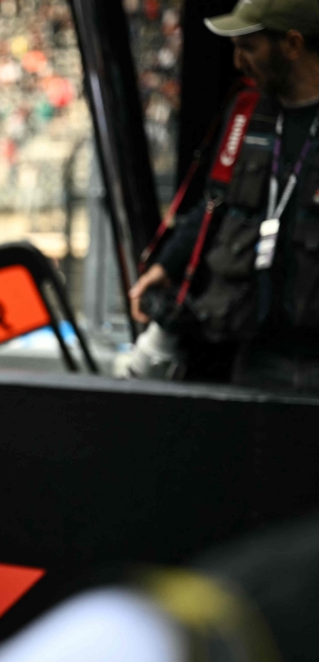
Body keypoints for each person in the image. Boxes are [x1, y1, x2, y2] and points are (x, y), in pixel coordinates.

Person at [130, 0, 319, 391]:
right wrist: (165, 266)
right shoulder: (247, 112)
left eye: (249, 47)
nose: (237, 62)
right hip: (253, 351)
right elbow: (215, 203)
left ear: (293, 45)